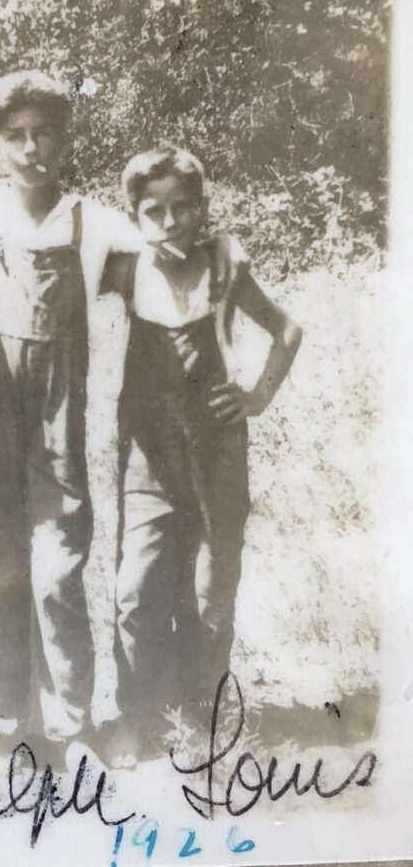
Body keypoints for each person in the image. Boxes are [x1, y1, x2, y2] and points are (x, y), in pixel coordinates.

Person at [0, 70, 141, 747]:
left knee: (57, 565)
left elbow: (179, 263)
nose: (31, 149)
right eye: (15, 136)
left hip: (58, 415)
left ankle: (67, 721)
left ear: (64, 137)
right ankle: (6, 712)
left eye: (43, 133)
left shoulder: (97, 223)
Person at [103, 146, 303, 767]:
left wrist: (257, 396)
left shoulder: (225, 266)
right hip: (147, 453)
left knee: (212, 587)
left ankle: (202, 710)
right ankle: (136, 715)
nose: (168, 221)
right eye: (152, 210)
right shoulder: (123, 267)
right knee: (137, 587)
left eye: (182, 207)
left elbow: (287, 329)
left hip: (217, 449)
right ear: (134, 215)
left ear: (202, 209)